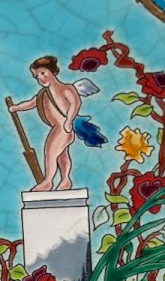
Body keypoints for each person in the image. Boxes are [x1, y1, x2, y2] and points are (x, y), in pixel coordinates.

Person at [10, 55, 104, 190]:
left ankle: (48, 181)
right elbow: (31, 103)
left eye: (43, 73)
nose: (40, 78)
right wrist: (16, 108)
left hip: (62, 128)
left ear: (53, 71)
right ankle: (65, 180)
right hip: (59, 128)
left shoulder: (66, 89)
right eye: (36, 76)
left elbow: (75, 103)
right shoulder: (43, 94)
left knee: (50, 152)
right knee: (62, 155)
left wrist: (69, 120)